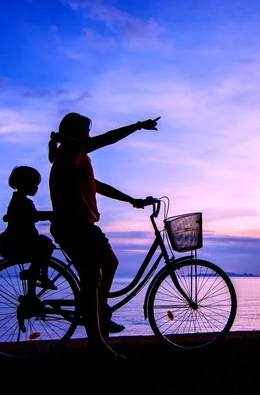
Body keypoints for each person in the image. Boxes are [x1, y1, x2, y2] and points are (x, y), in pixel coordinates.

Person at [48, 112, 159, 359]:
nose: (89, 135)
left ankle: (100, 311)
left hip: (85, 225)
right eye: (86, 130)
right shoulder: (69, 149)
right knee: (91, 278)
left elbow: (98, 186)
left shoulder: (79, 157)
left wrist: (132, 200)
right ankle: (96, 341)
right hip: (73, 226)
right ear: (75, 132)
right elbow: (107, 139)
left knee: (110, 263)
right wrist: (138, 125)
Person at [0, 165, 57, 292]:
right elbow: (34, 216)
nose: (37, 187)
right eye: (35, 183)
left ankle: (38, 278)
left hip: (17, 242)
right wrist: (53, 214)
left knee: (44, 246)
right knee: (46, 245)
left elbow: (31, 216)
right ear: (25, 183)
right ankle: (42, 277)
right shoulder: (21, 202)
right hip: (19, 243)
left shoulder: (18, 200)